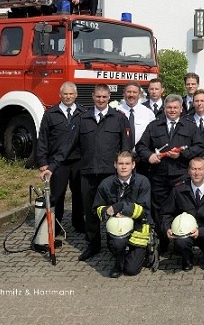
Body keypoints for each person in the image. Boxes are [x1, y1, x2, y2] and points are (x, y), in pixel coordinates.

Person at [135, 94, 204, 254]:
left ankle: (183, 242)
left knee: (184, 207)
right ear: (164, 109)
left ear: (181, 109)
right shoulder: (154, 126)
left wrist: (182, 155)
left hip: (181, 175)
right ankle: (163, 241)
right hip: (159, 176)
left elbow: (199, 146)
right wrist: (149, 156)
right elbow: (141, 147)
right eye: (169, 108)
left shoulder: (190, 126)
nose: (172, 110)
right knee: (159, 210)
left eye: (175, 108)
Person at [74, 84, 133, 262]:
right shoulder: (83, 118)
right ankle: (93, 244)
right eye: (98, 97)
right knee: (91, 211)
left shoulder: (119, 118)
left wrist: (124, 171)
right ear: (93, 96)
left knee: (113, 209)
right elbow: (73, 145)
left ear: (109, 97)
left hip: (110, 174)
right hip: (89, 172)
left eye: (104, 97)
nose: (101, 100)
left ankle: (114, 242)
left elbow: (126, 147)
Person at [162, 157, 204, 275]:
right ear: (188, 171)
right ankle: (187, 258)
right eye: (193, 169)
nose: (197, 173)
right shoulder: (178, 189)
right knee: (180, 242)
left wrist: (201, 232)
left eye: (200, 169)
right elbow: (167, 212)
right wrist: (167, 227)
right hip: (186, 234)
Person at [93, 151, 152, 278]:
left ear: (133, 165)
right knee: (118, 246)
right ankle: (118, 263)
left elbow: (144, 210)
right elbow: (97, 208)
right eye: (120, 163)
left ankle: (145, 250)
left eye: (127, 163)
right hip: (117, 230)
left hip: (138, 228)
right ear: (115, 165)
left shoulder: (143, 182)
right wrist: (107, 211)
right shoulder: (106, 184)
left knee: (131, 270)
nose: (124, 167)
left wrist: (120, 207)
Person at [37, 82, 85, 234]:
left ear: (76, 95)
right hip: (57, 163)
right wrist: (43, 162)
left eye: (71, 94)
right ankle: (56, 226)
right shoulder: (50, 114)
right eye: (65, 94)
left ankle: (78, 223)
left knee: (79, 193)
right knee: (57, 195)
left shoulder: (83, 113)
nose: (68, 96)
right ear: (60, 95)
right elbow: (43, 139)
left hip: (78, 160)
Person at [118, 82, 156, 149]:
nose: (131, 95)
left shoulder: (148, 113)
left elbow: (154, 136)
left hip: (141, 155)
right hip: (121, 156)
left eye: (134, 92)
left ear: (140, 94)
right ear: (123, 93)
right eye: (129, 92)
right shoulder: (116, 112)